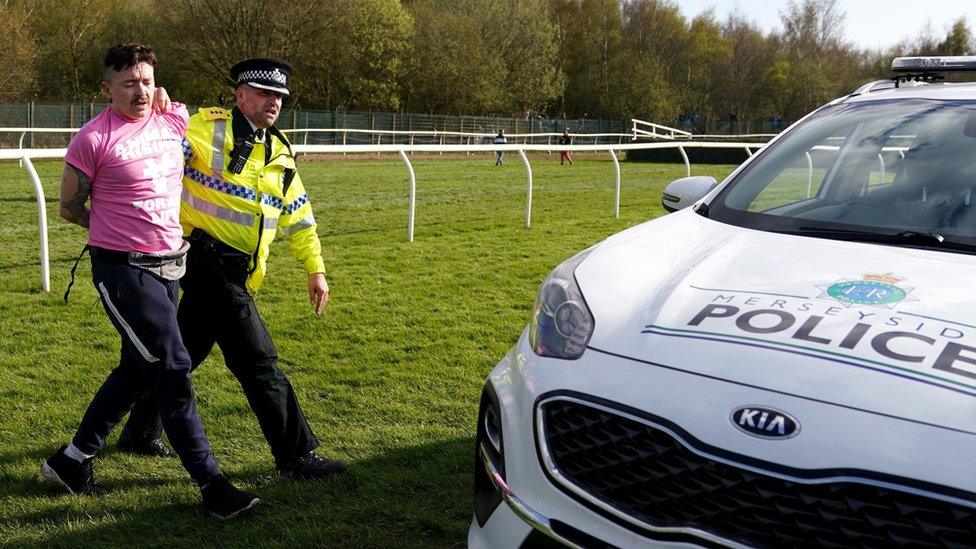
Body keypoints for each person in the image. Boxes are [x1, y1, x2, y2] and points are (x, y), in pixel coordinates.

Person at [42, 43, 259, 520]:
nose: (139, 91)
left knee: (137, 369)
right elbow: (69, 208)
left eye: (145, 81)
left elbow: (182, 112)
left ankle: (72, 461)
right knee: (172, 366)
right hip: (122, 271)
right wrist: (115, 232)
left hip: (172, 268)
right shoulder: (93, 139)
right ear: (107, 89)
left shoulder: (172, 119)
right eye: (128, 84)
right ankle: (213, 485)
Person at [117, 58, 347, 481]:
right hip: (207, 264)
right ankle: (296, 456)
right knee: (259, 362)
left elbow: (299, 214)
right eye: (263, 93)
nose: (272, 102)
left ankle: (136, 431)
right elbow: (156, 144)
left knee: (175, 358)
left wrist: (315, 268)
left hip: (238, 273)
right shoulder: (206, 127)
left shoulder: (278, 149)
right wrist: (160, 109)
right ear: (240, 95)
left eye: (278, 96)